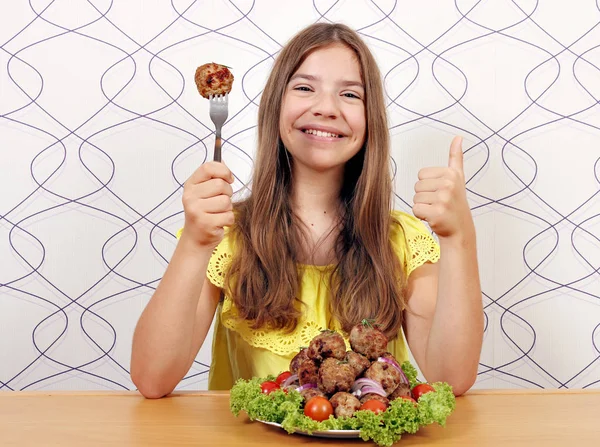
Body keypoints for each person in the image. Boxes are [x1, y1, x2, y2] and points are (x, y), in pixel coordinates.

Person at [130, 23, 483, 399]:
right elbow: (152, 379)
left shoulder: (402, 240)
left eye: (349, 94)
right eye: (304, 87)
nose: (326, 108)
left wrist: (459, 237)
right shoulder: (226, 235)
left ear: (371, 119)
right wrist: (196, 244)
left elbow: (451, 377)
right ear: (276, 105)